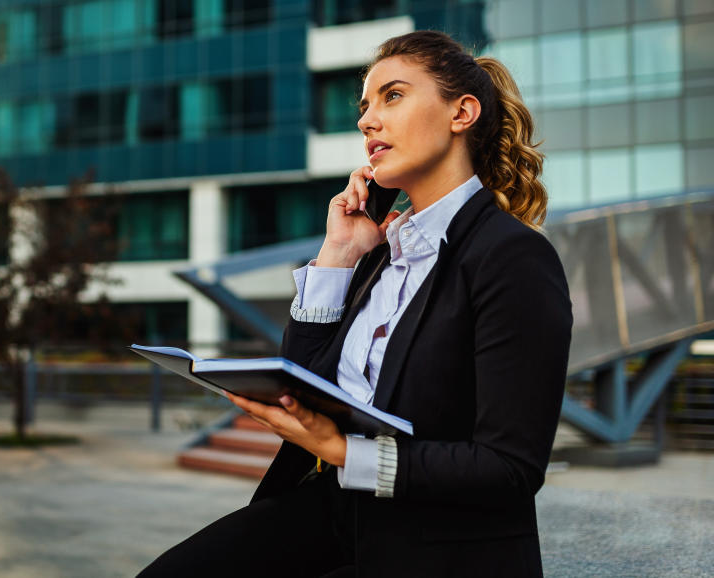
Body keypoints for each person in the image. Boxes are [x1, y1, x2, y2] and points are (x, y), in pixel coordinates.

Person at [139, 30, 572, 577]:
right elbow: (309, 381)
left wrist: (345, 451)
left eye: (392, 96)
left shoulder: (513, 258)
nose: (367, 120)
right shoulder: (379, 252)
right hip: (338, 510)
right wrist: (338, 255)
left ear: (462, 112)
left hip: (440, 543)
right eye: (365, 106)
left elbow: (510, 469)